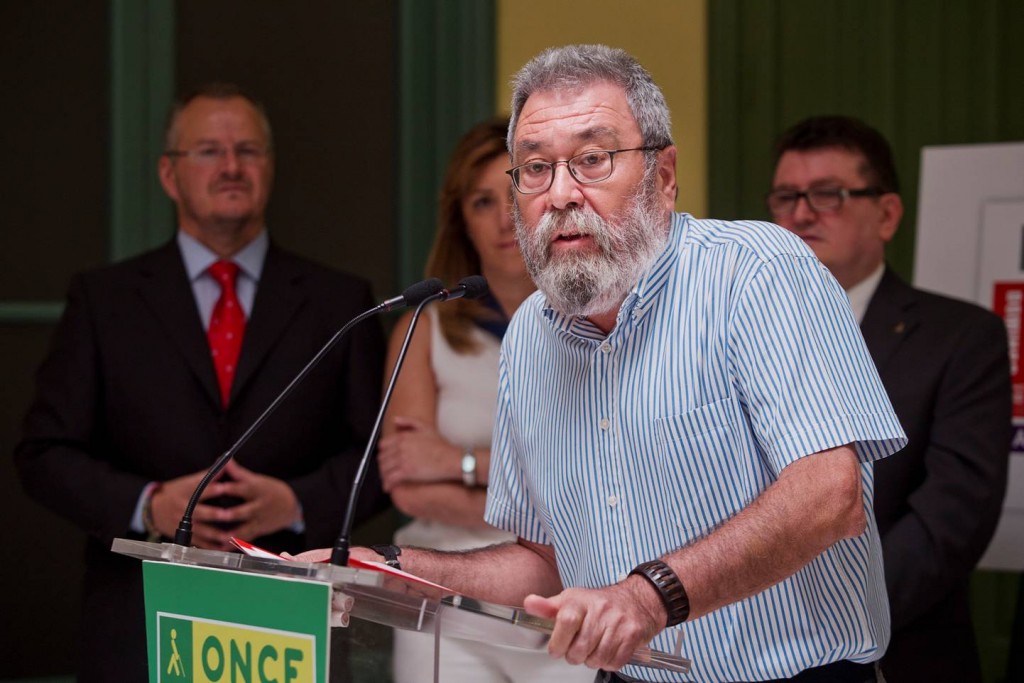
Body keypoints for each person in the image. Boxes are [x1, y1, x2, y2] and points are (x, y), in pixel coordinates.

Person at [305, 45, 908, 683]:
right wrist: (397, 572)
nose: (561, 193)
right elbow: (546, 560)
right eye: (535, 168)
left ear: (664, 175)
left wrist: (645, 597)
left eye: (593, 160)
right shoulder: (531, 337)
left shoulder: (756, 271)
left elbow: (828, 496)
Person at [14, 83, 387, 681]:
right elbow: (43, 454)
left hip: (293, 612)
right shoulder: (103, 300)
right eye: (209, 151)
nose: (232, 167)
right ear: (169, 174)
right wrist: (148, 504)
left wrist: (294, 503)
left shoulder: (340, 301)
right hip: (136, 615)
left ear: (269, 167)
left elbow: (380, 457)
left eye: (248, 150)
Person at [768, 115, 1011, 683]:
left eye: (828, 195)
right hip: (736, 655)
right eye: (786, 196)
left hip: (896, 654)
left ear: (887, 214)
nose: (801, 213)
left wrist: (818, 623)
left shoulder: (961, 338)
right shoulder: (727, 332)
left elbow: (950, 520)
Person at [375, 118, 590, 682]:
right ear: (459, 223)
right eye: (480, 202)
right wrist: (543, 508)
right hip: (443, 596)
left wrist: (455, 463)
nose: (503, 219)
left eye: (516, 189)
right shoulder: (423, 328)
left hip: (571, 597)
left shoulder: (600, 322)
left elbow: (600, 483)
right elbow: (407, 485)